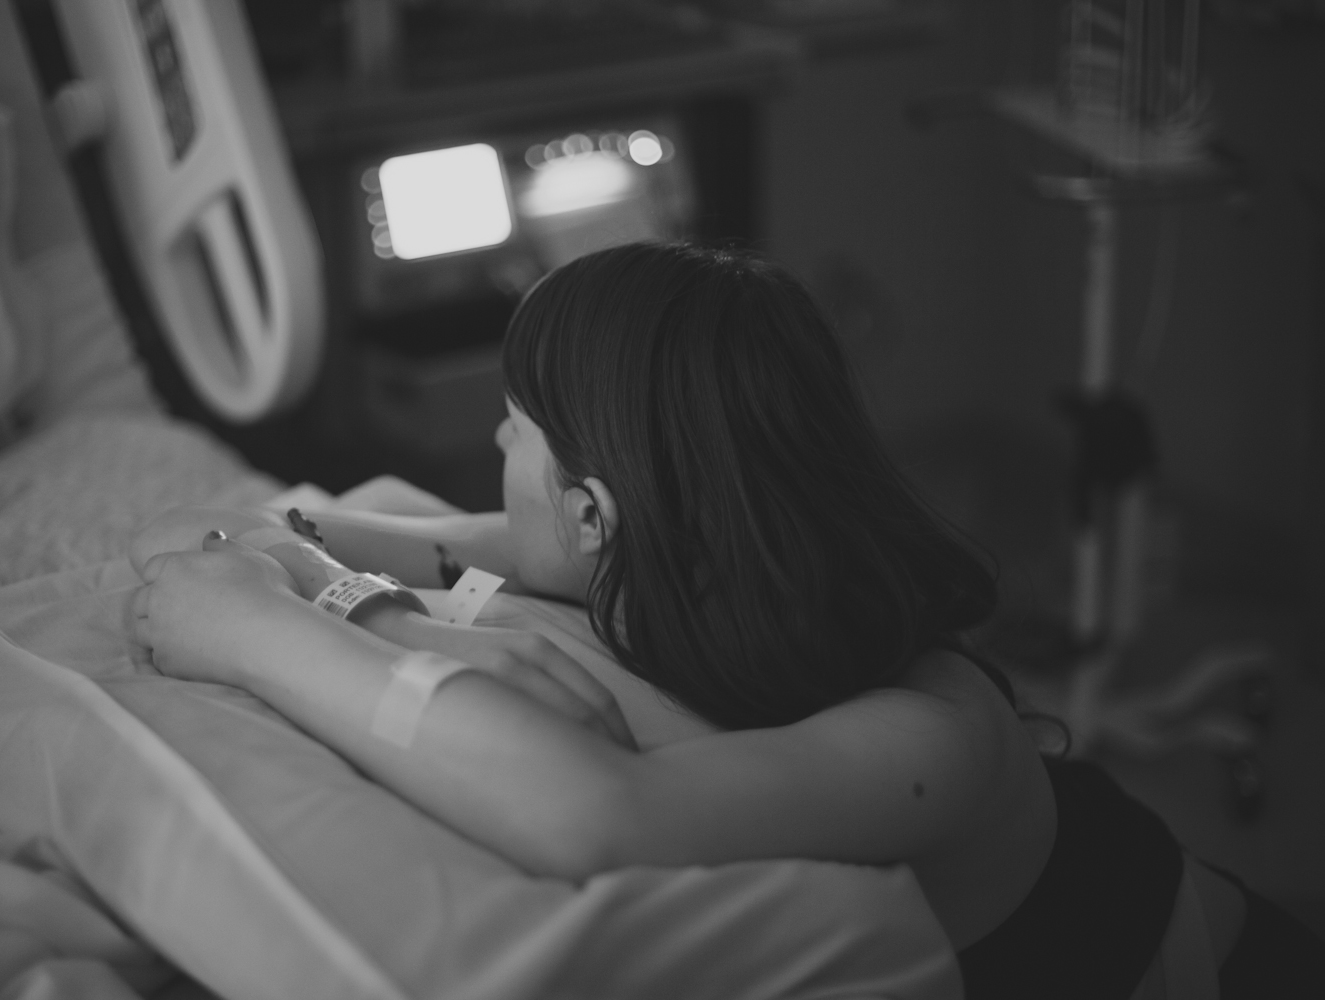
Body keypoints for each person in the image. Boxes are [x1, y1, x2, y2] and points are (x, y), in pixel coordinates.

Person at [131, 242, 1319, 997]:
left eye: (513, 428)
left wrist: (268, 627)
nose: (493, 448)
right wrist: (303, 540)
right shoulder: (679, 554)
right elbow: (471, 538)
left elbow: (599, 814)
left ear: (594, 511)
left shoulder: (931, 735)